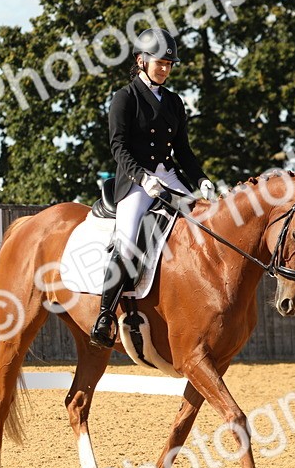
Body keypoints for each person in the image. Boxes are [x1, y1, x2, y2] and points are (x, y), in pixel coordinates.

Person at [89, 27, 216, 349]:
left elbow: (183, 150)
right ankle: (105, 315)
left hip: (169, 176)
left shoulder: (174, 101)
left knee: (202, 225)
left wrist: (200, 179)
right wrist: (142, 178)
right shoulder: (125, 97)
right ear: (141, 61)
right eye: (160, 63)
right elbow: (118, 147)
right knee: (127, 242)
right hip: (136, 180)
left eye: (169, 65)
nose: (165, 69)